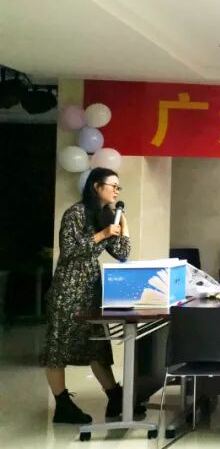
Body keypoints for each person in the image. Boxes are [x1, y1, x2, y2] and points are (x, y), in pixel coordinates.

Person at [42, 168, 137, 424]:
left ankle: (115, 396)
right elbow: (69, 251)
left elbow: (122, 253)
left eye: (118, 187)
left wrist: (123, 223)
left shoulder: (105, 215)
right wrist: (103, 234)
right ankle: (62, 405)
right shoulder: (75, 213)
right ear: (97, 186)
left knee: (97, 346)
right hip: (68, 288)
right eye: (113, 186)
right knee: (58, 347)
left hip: (90, 289)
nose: (116, 191)